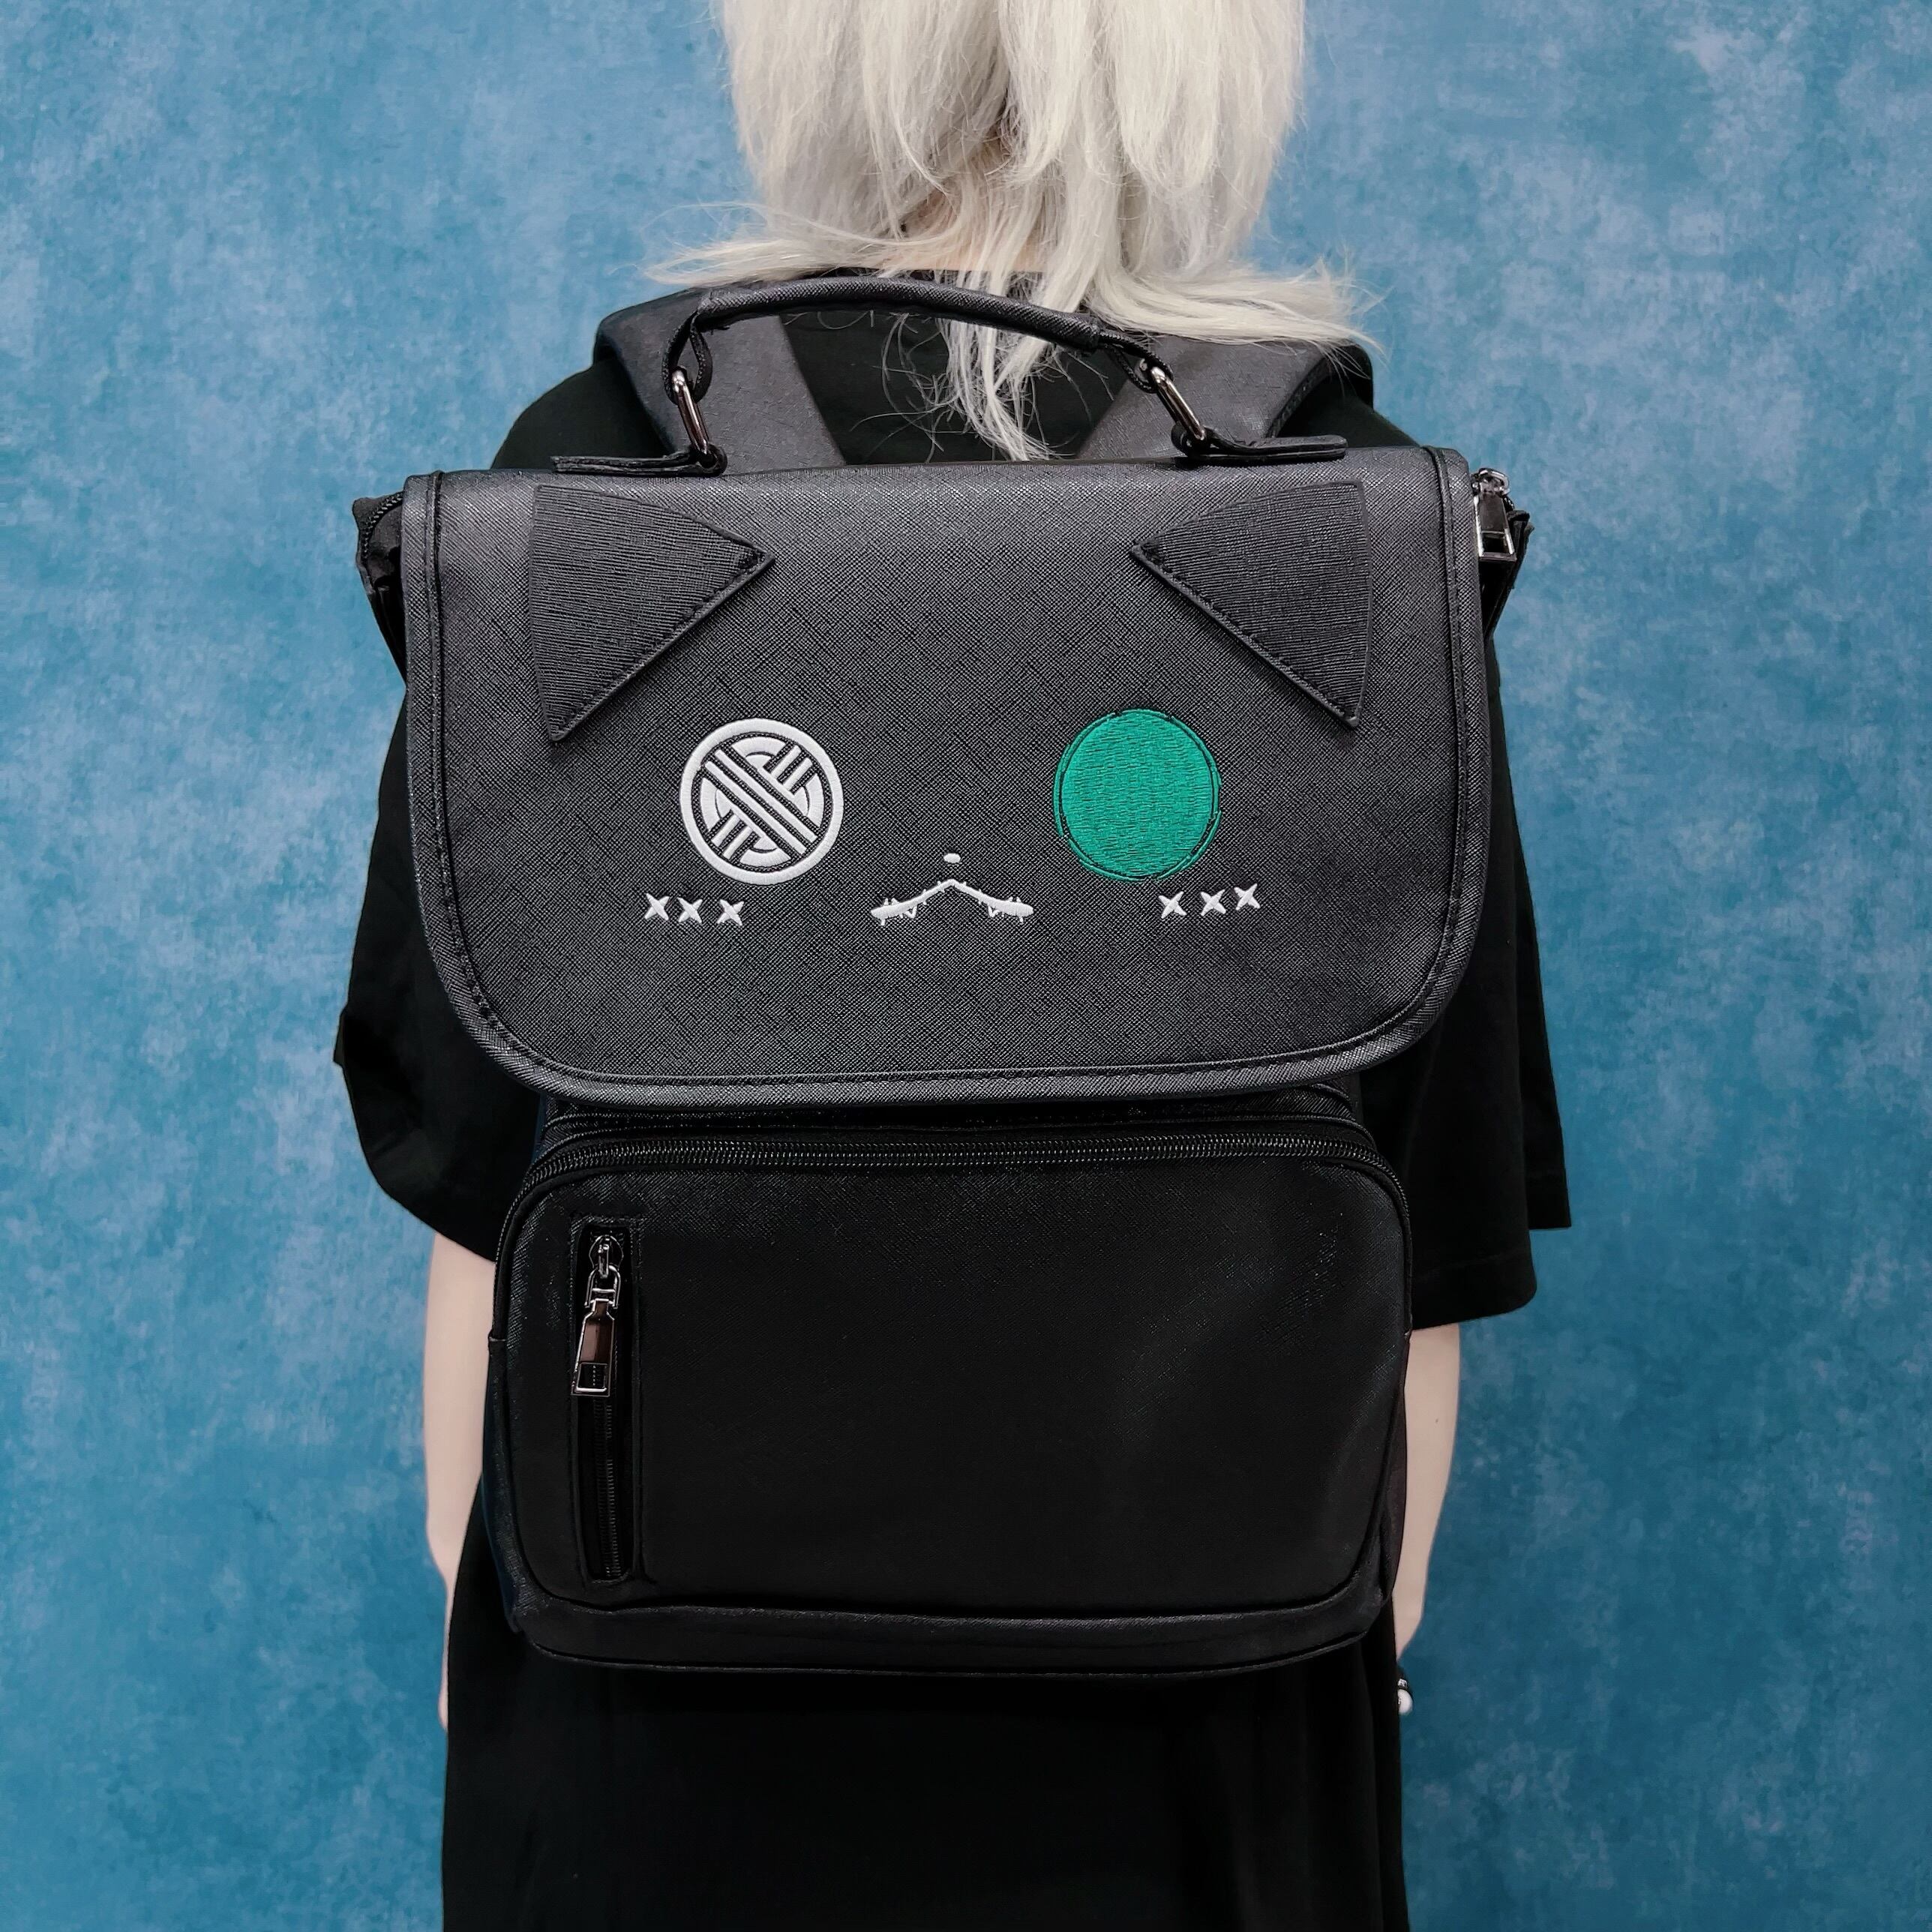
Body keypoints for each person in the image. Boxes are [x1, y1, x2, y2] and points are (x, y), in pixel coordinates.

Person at [337, 2, 1569, 1924]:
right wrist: (1348, 1655)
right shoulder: (1349, 517)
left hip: (652, 1713)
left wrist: (491, 1644)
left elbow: (488, 1186)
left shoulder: (585, 484)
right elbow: (1431, 1214)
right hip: (1206, 1717)